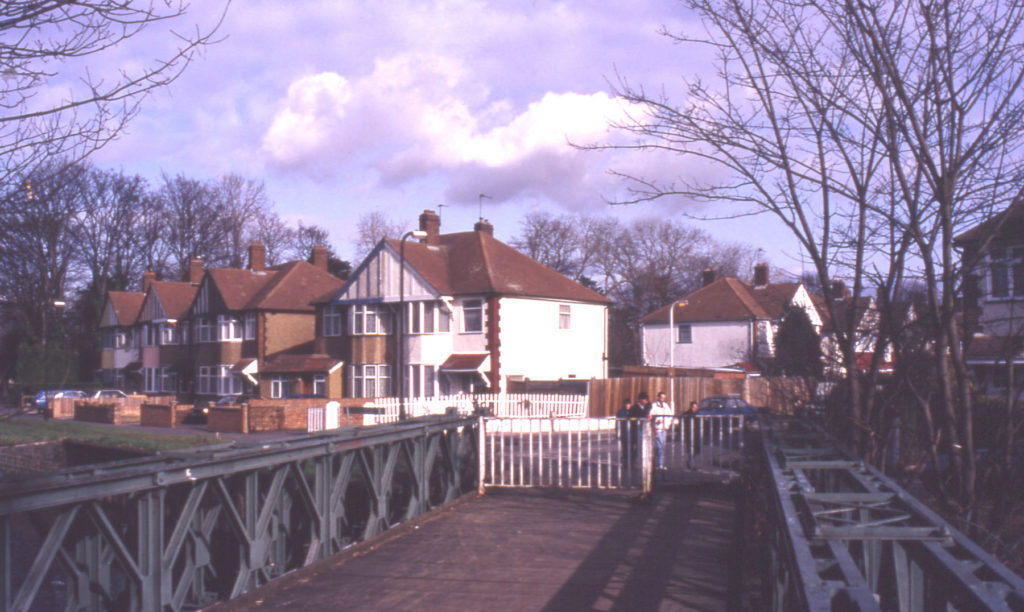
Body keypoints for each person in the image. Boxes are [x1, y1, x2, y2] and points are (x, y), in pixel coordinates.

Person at [650, 391, 673, 469]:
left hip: (664, 429)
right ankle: (659, 464)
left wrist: (667, 425)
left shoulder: (666, 406)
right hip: (657, 429)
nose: (662, 399)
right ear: (658, 397)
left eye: (664, 398)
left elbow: (670, 416)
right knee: (660, 447)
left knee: (663, 447)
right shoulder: (653, 406)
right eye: (661, 397)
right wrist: (657, 421)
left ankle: (661, 463)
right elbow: (651, 417)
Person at [628, 392, 650, 461]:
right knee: (636, 446)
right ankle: (633, 461)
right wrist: (637, 419)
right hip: (636, 429)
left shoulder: (647, 407)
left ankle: (641, 460)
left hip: (644, 429)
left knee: (643, 446)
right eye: (645, 400)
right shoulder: (634, 408)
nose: (646, 401)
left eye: (647, 400)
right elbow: (630, 418)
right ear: (640, 400)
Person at [616, 397, 632, 464]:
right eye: (626, 404)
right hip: (624, 432)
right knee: (625, 448)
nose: (627, 405)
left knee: (632, 448)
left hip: (631, 433)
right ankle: (624, 461)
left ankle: (631, 461)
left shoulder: (632, 411)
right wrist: (617, 433)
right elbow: (617, 423)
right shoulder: (620, 412)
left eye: (628, 404)